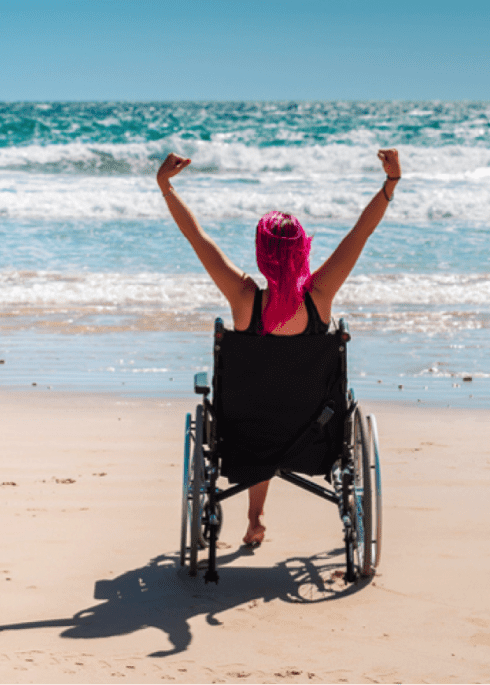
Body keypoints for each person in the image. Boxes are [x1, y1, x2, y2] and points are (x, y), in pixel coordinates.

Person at [156, 148, 402, 547]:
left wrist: (165, 187)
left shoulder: (243, 299)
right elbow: (361, 232)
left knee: (261, 409)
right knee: (283, 407)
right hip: (315, 439)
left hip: (244, 437)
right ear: (303, 248)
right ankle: (256, 516)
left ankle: (254, 518)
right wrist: (390, 184)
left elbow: (195, 236)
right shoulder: (319, 296)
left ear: (261, 253)